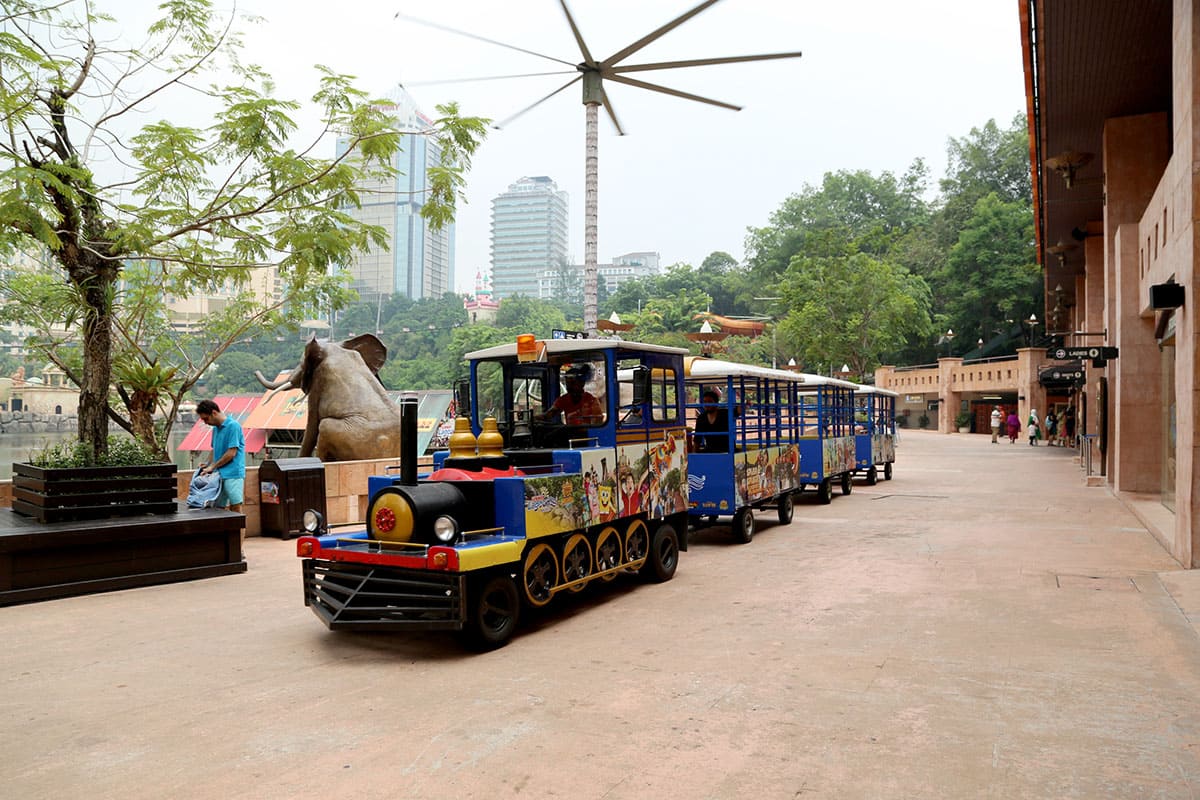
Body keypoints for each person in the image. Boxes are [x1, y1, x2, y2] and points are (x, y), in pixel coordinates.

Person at [197, 398, 246, 516]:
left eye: (206, 418)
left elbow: (231, 453)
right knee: (218, 508)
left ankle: (239, 535)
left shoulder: (233, 426)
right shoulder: (215, 429)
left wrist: (212, 466)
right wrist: (208, 464)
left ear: (214, 413)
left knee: (236, 507)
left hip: (233, 474)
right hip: (219, 475)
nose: (205, 422)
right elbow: (214, 449)